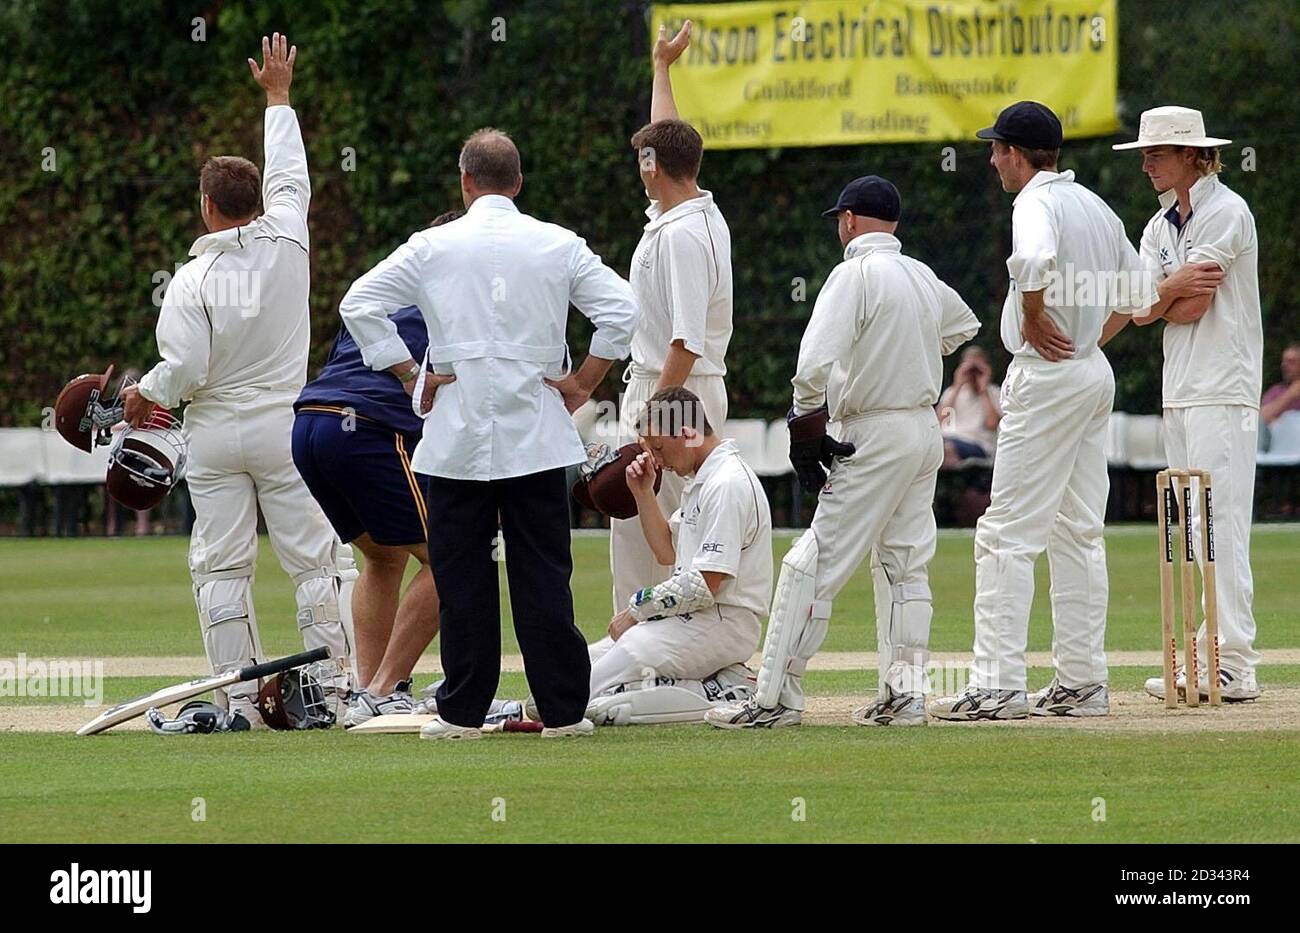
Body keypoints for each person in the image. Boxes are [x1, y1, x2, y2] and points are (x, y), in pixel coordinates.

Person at [339, 128, 638, 740]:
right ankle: (563, 711)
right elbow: (623, 311)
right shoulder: (559, 244)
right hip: (538, 436)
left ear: (465, 182)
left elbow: (358, 303)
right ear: (519, 183)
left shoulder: (432, 246)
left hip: (457, 437)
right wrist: (585, 380)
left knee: (462, 577)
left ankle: (462, 711)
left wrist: (407, 373)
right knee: (544, 576)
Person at [119, 34, 355, 724]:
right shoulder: (289, 238)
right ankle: (335, 692)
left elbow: (185, 369)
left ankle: (242, 704)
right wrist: (278, 97)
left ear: (206, 206)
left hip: (215, 433)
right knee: (318, 562)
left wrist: (144, 394)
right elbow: (291, 174)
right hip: (287, 426)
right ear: (257, 200)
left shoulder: (190, 280)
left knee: (221, 569)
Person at [708, 175, 979, 729]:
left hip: (872, 431)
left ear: (849, 220)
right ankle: (905, 697)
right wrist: (907, 352)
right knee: (906, 565)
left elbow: (813, 363)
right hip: (922, 429)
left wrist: (804, 423)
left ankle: (775, 699)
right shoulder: (921, 275)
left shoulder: (853, 273)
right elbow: (963, 326)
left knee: (811, 561)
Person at [930, 101, 1152, 722]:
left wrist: (1033, 316)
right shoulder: (1096, 206)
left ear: (1016, 154)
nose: (991, 160)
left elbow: (1032, 261)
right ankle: (1081, 683)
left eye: (996, 149)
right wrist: (1086, 342)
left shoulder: (1035, 203)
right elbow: (1139, 294)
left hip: (1047, 376)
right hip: (1089, 373)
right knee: (1078, 530)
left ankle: (997, 686)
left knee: (1005, 534)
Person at [1106, 106, 1263, 702]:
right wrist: (1168, 291)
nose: (1147, 164)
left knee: (1220, 523)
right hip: (1180, 389)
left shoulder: (1228, 211)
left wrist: (1161, 296)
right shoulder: (1157, 226)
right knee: (1192, 528)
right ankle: (1205, 657)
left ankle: (1234, 661)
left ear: (1194, 155)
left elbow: (1191, 307)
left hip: (1224, 386)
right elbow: (1140, 311)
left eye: (1158, 153)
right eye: (1145, 154)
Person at [292, 209, 465, 727]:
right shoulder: (458, 295)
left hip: (310, 424)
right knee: (455, 556)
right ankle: (386, 687)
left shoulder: (381, 290)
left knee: (384, 558)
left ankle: (367, 693)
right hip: (367, 429)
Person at [612, 19, 733, 615]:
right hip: (677, 390)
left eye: (643, 159)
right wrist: (662, 68)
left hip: (675, 390)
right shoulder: (684, 208)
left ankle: (653, 646)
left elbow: (685, 340)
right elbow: (666, 139)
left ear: (652, 167)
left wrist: (653, 418)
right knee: (647, 528)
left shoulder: (683, 235)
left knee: (660, 535)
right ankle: (639, 640)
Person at [572, 387, 767, 726]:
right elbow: (666, 550)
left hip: (725, 622)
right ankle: (714, 684)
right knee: (574, 671)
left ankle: (722, 690)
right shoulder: (702, 480)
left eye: (658, 447)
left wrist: (638, 609)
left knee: (612, 667)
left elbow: (708, 583)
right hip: (692, 618)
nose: (657, 460)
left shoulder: (727, 484)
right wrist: (643, 493)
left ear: (687, 433)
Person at [938, 345, 1002, 465]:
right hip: (948, 439)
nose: (973, 374)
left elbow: (992, 424)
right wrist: (957, 385)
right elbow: (942, 421)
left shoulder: (994, 393)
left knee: (945, 450)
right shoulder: (952, 392)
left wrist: (983, 390)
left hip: (977, 443)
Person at [1260, 344, 1300, 426]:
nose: (1284, 365)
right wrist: (1290, 394)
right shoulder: (1276, 391)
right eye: (1284, 361)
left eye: (1291, 362)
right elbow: (1261, 418)